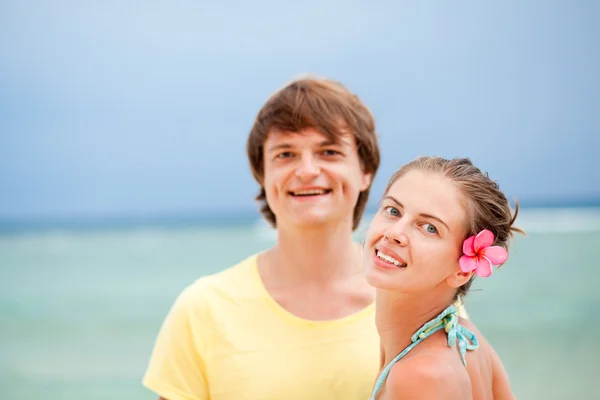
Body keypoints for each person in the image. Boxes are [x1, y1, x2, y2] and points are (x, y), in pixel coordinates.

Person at [142, 76, 383, 400]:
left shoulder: (412, 299)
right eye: (286, 154)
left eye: (328, 151)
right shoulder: (203, 309)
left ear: (365, 170)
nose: (308, 170)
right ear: (262, 173)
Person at [363, 156, 522, 399]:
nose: (394, 233)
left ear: (463, 270)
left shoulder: (421, 376)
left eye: (429, 228)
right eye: (393, 211)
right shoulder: (466, 339)